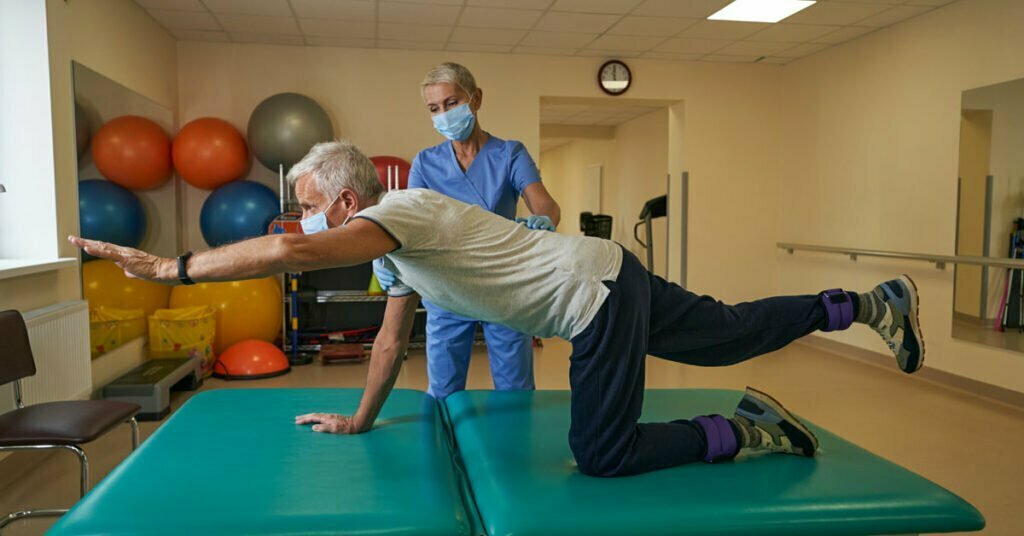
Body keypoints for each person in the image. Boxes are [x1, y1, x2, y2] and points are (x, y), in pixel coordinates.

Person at [71, 140, 924, 478]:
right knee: (732, 334)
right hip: (605, 273)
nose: (299, 219)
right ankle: (863, 303)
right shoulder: (394, 256)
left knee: (602, 454)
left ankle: (746, 434)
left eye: (305, 201)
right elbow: (387, 343)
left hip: (590, 299)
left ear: (342, 200)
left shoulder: (399, 213)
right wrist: (364, 421)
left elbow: (291, 251)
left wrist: (174, 267)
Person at [373, 62, 561, 400]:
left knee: (514, 387)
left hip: (502, 282)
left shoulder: (509, 154)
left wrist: (543, 220)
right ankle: (443, 450)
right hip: (447, 285)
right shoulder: (425, 163)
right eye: (434, 108)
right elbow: (405, 218)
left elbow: (545, 204)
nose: (443, 114)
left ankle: (515, 449)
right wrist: (386, 256)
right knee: (443, 389)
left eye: (452, 103)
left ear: (475, 99)